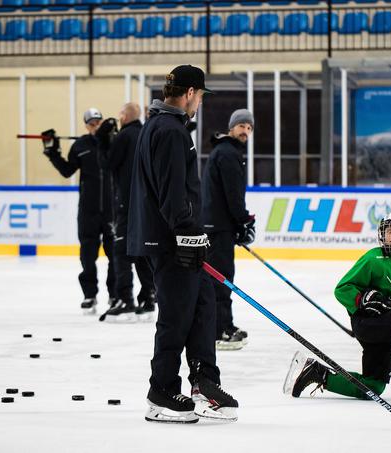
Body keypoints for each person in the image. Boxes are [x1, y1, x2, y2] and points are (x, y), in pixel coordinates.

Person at [127, 65, 238, 424]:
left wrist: (192, 233)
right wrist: (188, 232)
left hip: (178, 238)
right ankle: (161, 391)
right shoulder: (170, 130)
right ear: (189, 93)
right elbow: (172, 193)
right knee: (176, 317)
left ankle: (205, 382)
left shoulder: (163, 126)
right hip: (171, 242)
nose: (200, 103)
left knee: (203, 306)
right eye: (201, 96)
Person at [284, 212, 391, 406]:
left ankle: (317, 373)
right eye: (390, 231)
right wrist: (362, 298)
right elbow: (342, 289)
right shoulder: (373, 258)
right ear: (382, 235)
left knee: (373, 387)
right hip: (368, 322)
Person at [42, 108, 116, 314]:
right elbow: (67, 171)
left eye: (98, 123)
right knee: (87, 256)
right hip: (88, 210)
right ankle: (89, 295)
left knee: (116, 256)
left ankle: (115, 294)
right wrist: (52, 152)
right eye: (91, 124)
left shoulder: (112, 143)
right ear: (86, 125)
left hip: (112, 211)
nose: (95, 126)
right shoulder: (79, 145)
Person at [96, 103, 156, 323]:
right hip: (145, 204)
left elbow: (107, 164)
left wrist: (102, 140)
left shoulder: (125, 135)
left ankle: (125, 299)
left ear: (125, 116)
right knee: (140, 251)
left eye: (121, 113)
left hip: (127, 204)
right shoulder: (145, 133)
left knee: (121, 251)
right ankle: (148, 297)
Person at [201, 109, 256, 351]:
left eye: (249, 128)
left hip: (218, 225)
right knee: (221, 279)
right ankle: (219, 330)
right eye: (242, 126)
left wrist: (237, 223)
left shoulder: (225, 151)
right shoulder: (228, 154)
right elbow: (233, 195)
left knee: (221, 278)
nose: (245, 131)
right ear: (231, 127)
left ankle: (222, 325)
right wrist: (243, 221)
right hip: (217, 227)